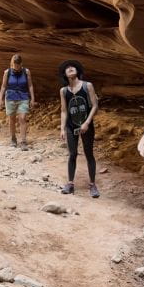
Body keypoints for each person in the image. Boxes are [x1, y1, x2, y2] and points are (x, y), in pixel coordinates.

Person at [58, 60, 99, 197]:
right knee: (72, 154)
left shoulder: (87, 86)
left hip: (86, 124)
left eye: (73, 67)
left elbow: (94, 105)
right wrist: (62, 128)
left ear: (78, 71)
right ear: (64, 74)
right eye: (67, 68)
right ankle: (70, 184)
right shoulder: (63, 91)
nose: (70, 68)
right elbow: (64, 111)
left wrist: (87, 122)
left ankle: (93, 185)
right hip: (71, 125)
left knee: (89, 153)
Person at [0, 53, 36, 149]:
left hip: (23, 97)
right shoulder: (7, 72)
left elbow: (30, 85)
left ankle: (23, 141)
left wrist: (33, 98)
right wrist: (0, 99)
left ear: (21, 64)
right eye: (15, 65)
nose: (16, 67)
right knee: (12, 119)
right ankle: (13, 138)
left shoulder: (26, 72)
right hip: (10, 97)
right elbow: (3, 86)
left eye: (18, 65)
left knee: (22, 118)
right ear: (12, 64)